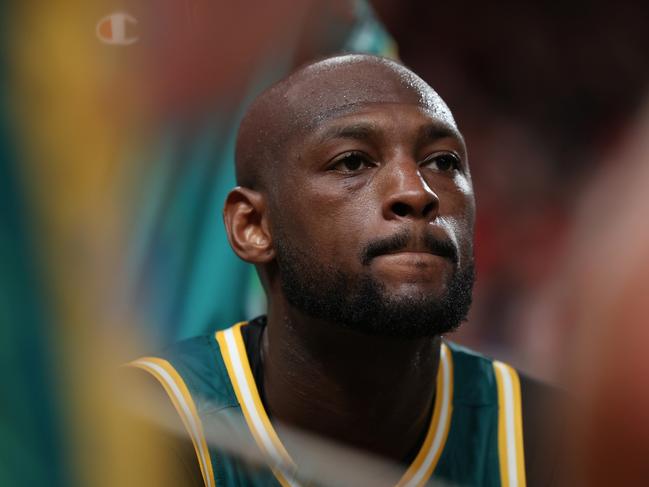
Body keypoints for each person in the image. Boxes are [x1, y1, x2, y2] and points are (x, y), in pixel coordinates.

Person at [129, 54, 560, 487]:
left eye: (443, 162)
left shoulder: (554, 439)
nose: (416, 191)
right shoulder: (146, 425)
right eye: (353, 162)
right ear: (253, 226)